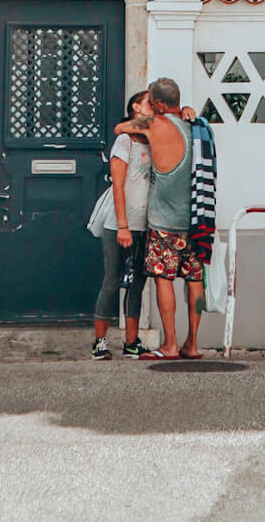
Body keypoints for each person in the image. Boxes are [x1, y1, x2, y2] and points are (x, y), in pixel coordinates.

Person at [115, 76, 204, 361]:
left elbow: (121, 127)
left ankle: (170, 345)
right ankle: (192, 344)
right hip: (196, 219)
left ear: (157, 104)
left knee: (164, 279)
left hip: (165, 221)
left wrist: (149, 116)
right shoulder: (197, 127)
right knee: (194, 280)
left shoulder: (154, 125)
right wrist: (186, 111)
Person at [92, 88, 151, 360]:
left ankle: (131, 342)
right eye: (150, 102)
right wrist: (124, 225)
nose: (155, 107)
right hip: (120, 225)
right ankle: (100, 342)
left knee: (137, 284)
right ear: (136, 107)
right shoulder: (124, 141)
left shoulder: (153, 141)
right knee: (112, 281)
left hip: (145, 225)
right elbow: (118, 185)